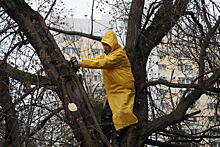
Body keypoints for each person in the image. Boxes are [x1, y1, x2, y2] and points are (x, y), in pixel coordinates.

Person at [71, 30, 138, 146]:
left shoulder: (119, 55)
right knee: (106, 116)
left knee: (121, 114)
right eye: (104, 45)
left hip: (123, 90)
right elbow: (96, 60)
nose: (105, 47)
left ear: (112, 44)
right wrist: (81, 62)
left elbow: (103, 63)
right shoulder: (108, 55)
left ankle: (116, 139)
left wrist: (81, 63)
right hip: (113, 92)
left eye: (107, 45)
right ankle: (106, 140)